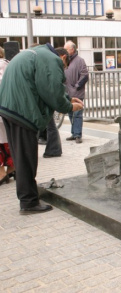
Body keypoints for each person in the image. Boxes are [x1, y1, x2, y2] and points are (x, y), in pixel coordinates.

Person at [0, 43, 84, 214]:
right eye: (64, 68)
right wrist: (68, 106)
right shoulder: (52, 59)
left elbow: (45, 84)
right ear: (62, 58)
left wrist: (68, 98)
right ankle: (28, 203)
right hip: (22, 111)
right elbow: (52, 90)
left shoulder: (37, 53)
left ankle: (27, 196)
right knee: (26, 158)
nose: (63, 71)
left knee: (20, 156)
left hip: (10, 108)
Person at [40, 47, 71, 158]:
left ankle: (54, 149)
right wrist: (69, 104)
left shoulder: (44, 60)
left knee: (50, 124)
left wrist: (69, 101)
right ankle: (54, 149)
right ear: (63, 57)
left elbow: (53, 88)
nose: (63, 69)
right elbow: (55, 88)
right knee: (50, 125)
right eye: (63, 66)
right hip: (42, 101)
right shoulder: (52, 62)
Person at [64, 40, 88, 144]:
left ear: (72, 49)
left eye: (66, 49)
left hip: (77, 92)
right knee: (70, 113)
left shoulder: (80, 61)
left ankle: (78, 134)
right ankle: (74, 133)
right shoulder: (65, 61)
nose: (65, 51)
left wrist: (77, 86)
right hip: (67, 92)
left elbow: (85, 75)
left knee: (77, 114)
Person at [0, 46, 15, 186]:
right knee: (7, 140)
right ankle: (11, 168)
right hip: (8, 110)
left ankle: (1, 173)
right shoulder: (8, 65)